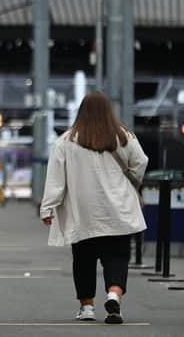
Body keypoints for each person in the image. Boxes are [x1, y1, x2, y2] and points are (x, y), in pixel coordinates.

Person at [40, 91, 148, 324]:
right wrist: (130, 179)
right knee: (117, 257)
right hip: (118, 208)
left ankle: (87, 307)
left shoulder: (66, 141)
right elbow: (141, 162)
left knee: (83, 259)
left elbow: (56, 178)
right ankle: (114, 296)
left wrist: (48, 208)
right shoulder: (123, 136)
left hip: (83, 211)